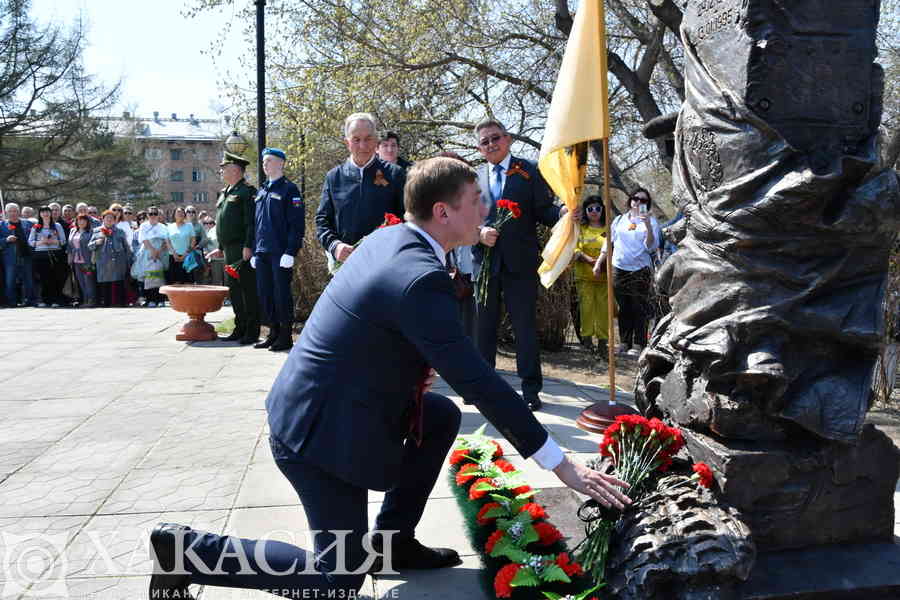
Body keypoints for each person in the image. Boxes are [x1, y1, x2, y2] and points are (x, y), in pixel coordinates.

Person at [146, 157, 631, 600]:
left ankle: (393, 542)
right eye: (475, 199)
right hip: (318, 435)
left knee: (438, 416)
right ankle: (184, 549)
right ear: (443, 212)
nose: (485, 205)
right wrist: (563, 465)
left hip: (338, 404)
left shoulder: (392, 238)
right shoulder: (418, 277)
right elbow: (479, 382)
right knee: (337, 581)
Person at [472, 118, 571, 411]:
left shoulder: (529, 170)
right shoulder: (472, 177)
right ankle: (484, 388)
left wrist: (565, 212)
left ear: (508, 139)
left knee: (525, 330)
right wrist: (478, 234)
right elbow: (464, 218)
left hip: (521, 264)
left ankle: (530, 390)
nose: (491, 144)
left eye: (495, 138)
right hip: (485, 264)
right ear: (479, 149)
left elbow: (544, 211)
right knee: (484, 330)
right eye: (485, 141)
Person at [316, 113, 405, 274]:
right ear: (347, 142)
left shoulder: (395, 175)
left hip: (386, 266)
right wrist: (335, 246)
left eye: (368, 138)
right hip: (346, 268)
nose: (363, 146)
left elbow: (408, 219)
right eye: (356, 139)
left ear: (376, 140)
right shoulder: (333, 177)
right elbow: (322, 221)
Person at [593, 187, 662, 356]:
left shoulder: (651, 222)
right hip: (619, 268)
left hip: (640, 270)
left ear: (648, 204)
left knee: (639, 307)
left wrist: (646, 224)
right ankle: (624, 342)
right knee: (623, 307)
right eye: (635, 198)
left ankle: (638, 344)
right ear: (630, 200)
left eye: (643, 200)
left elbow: (651, 246)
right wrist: (599, 263)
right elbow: (608, 243)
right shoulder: (619, 220)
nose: (638, 202)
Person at [251, 148, 304, 352]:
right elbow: (258, 224)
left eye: (269, 160)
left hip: (280, 252)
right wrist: (256, 250)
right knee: (265, 294)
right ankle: (272, 333)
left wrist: (290, 251)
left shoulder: (289, 190)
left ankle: (285, 336)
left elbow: (296, 224)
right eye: (264, 161)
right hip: (263, 251)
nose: (265, 164)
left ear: (281, 163)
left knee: (281, 295)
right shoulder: (262, 190)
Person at [212, 151, 260, 344]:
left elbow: (250, 223)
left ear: (235, 170)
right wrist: (221, 247)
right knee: (235, 291)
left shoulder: (246, 192)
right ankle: (239, 327)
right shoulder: (226, 192)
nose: (221, 171)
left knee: (247, 290)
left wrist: (248, 246)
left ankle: (252, 331)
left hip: (241, 248)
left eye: (224, 168)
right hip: (230, 250)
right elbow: (223, 222)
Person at [571, 196, 611, 357]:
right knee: (586, 308)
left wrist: (602, 263)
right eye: (590, 209)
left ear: (602, 210)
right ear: (586, 212)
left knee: (603, 310)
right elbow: (575, 249)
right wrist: (589, 260)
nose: (594, 212)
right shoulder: (580, 229)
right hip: (584, 276)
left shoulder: (609, 229)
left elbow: (614, 248)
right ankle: (586, 340)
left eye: (597, 208)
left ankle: (603, 342)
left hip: (604, 278)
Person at [27, 205, 68, 307]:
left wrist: (53, 241)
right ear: (40, 214)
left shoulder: (57, 225)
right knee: (43, 278)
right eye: (43, 212)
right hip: (41, 255)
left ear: (50, 213)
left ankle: (55, 300)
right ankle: (44, 300)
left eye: (47, 211)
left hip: (55, 253)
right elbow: (30, 242)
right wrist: (41, 242)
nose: (45, 214)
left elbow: (63, 241)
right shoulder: (36, 226)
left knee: (55, 277)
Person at [89, 209, 131, 307]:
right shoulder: (96, 231)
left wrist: (128, 260)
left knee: (119, 282)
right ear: (102, 219)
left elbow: (126, 247)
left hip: (118, 261)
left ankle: (121, 303)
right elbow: (89, 246)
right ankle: (106, 303)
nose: (109, 220)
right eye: (107, 218)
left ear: (115, 220)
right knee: (105, 283)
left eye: (111, 218)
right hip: (103, 261)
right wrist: (96, 242)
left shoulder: (120, 231)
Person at [0, 203, 35, 306]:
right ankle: (12, 302)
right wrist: (6, 239)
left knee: (28, 280)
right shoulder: (2, 225)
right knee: (10, 281)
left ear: (19, 212)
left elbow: (37, 232)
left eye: (15, 211)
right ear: (6, 213)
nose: (13, 213)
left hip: (26, 256)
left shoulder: (27, 223)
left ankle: (30, 301)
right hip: (10, 258)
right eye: (10, 211)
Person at [135, 207, 170, 307]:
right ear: (147, 215)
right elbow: (143, 240)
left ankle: (160, 299)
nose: (153, 216)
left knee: (160, 276)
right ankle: (150, 299)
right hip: (147, 251)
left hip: (161, 252)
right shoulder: (143, 226)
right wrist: (152, 251)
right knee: (149, 277)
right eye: (151, 214)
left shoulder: (162, 227)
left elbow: (165, 241)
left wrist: (158, 252)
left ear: (158, 215)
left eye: (155, 214)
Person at [67, 214, 97, 307]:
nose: (81, 222)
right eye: (79, 220)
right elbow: (69, 245)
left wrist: (93, 258)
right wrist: (69, 257)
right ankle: (85, 300)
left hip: (87, 260)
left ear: (87, 222)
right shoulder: (73, 231)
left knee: (88, 281)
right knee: (81, 282)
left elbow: (93, 246)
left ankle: (91, 300)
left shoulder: (91, 232)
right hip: (76, 261)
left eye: (84, 220)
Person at [166, 207, 197, 284]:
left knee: (188, 283)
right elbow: (167, 241)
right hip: (173, 257)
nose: (180, 214)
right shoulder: (169, 226)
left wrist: (186, 254)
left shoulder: (189, 226)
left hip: (187, 257)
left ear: (184, 215)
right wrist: (174, 253)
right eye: (178, 212)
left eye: (182, 212)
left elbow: (193, 241)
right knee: (175, 283)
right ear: (174, 215)